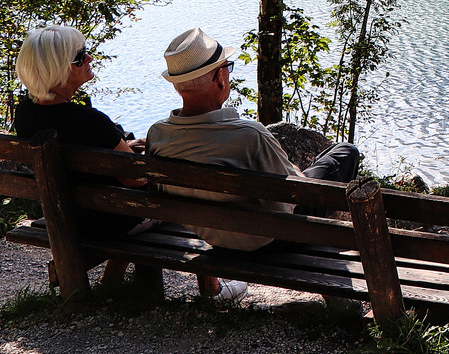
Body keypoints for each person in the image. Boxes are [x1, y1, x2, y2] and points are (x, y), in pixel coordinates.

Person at [145, 27, 361, 300]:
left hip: (211, 237)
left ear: (177, 85)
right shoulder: (250, 136)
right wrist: (294, 171)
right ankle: (334, 276)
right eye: (227, 68)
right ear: (220, 78)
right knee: (343, 153)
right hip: (267, 240)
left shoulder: (158, 134)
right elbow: (291, 200)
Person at [12, 25, 151, 286]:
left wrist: (122, 146)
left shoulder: (26, 114)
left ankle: (112, 279)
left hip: (63, 216)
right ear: (57, 70)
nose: (89, 59)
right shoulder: (91, 122)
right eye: (79, 57)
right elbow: (136, 180)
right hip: (109, 221)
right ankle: (211, 289)